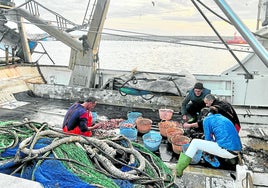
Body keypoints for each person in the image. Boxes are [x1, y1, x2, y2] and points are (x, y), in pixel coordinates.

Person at [176, 107, 242, 177]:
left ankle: (179, 170)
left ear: (203, 116)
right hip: (237, 150)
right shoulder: (221, 117)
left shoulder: (206, 120)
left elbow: (208, 139)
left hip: (228, 151)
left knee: (195, 142)